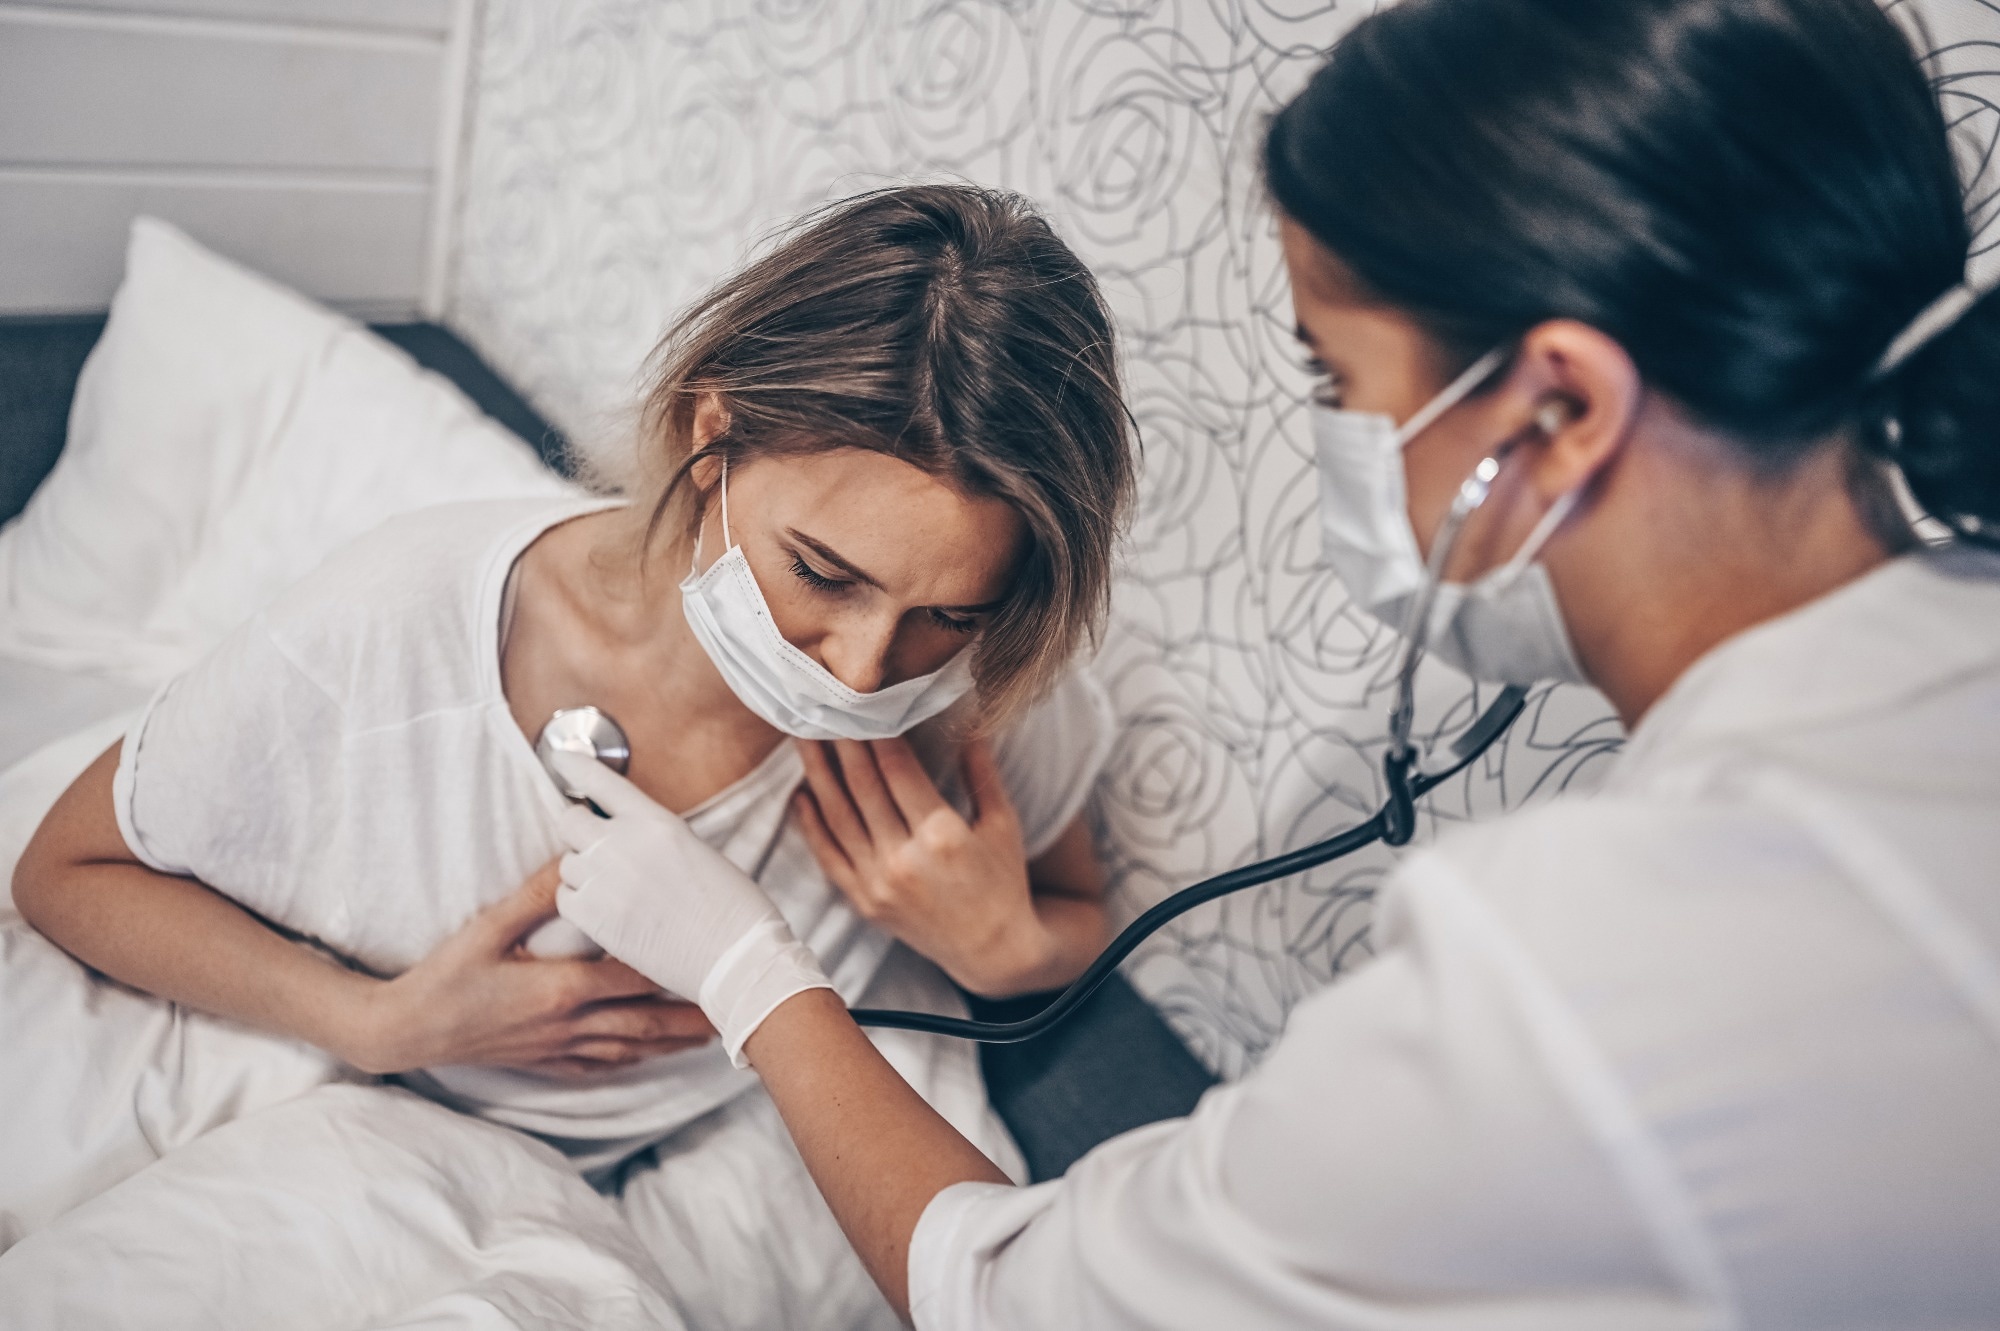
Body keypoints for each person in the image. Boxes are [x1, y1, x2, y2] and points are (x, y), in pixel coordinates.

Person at [543, 0, 2000, 1325]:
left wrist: (747, 967)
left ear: (1557, 414)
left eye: (1335, 376)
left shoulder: (1571, 966)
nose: (869, 666)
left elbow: (1011, 1294)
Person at [13, 184, 1135, 1326]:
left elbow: (1076, 912)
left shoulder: (972, 691)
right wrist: (376, 1021)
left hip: (585, 1202)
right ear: (712, 435)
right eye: (822, 572)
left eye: (943, 613)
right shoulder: (402, 619)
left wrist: (1002, 949)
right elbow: (63, 871)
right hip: (348, 1104)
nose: (861, 672)